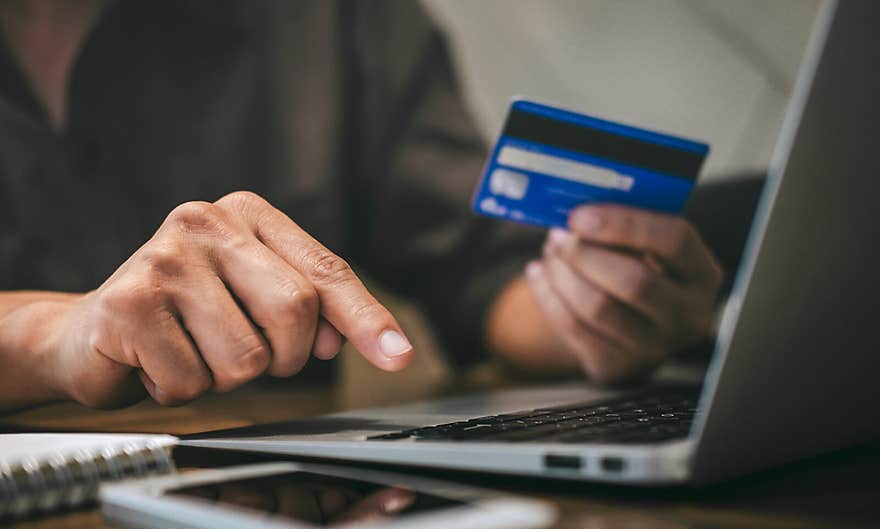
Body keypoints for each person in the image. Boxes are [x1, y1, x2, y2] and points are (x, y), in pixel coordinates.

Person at [0, 0, 734, 414]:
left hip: (278, 520)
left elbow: (487, 274)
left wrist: (605, 308)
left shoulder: (334, 20)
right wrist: (51, 334)